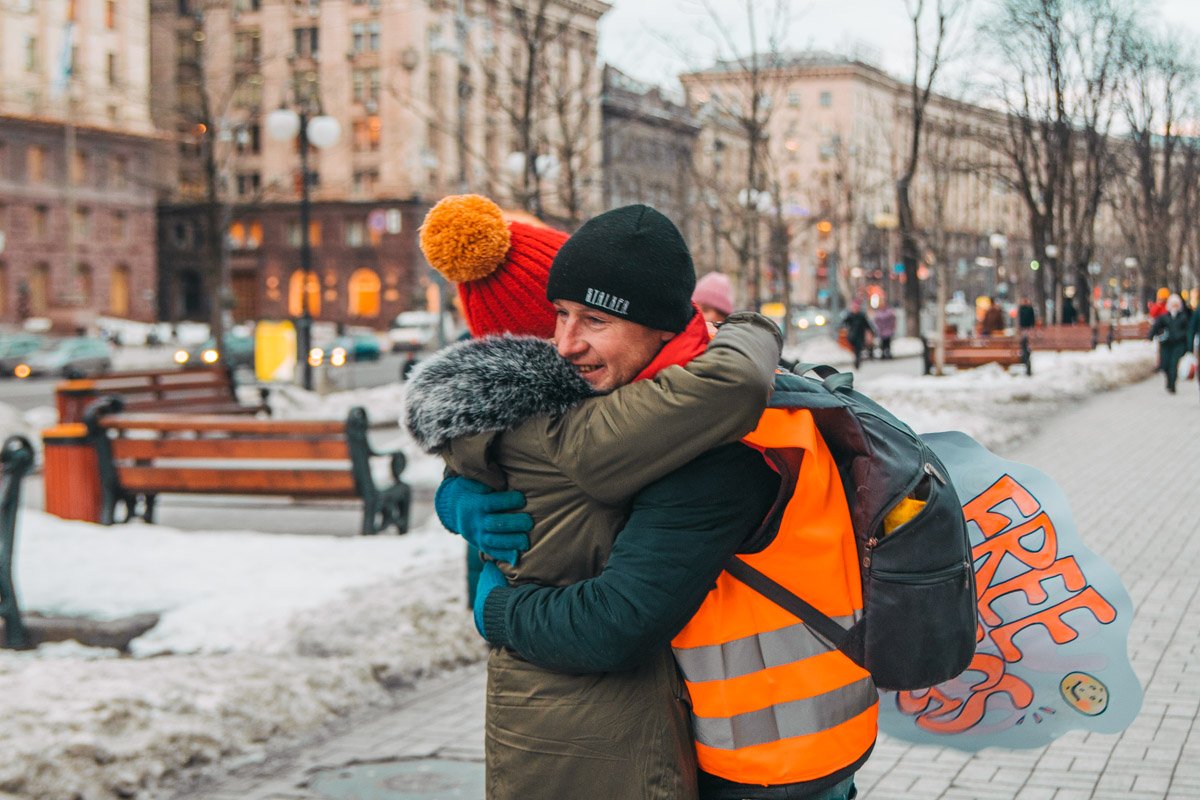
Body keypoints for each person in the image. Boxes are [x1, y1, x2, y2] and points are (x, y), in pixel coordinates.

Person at [426, 205, 874, 799]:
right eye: (558, 316)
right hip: (741, 742)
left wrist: (499, 612)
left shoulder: (713, 444)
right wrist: (459, 494)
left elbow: (614, 623)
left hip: (768, 762)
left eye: (594, 320)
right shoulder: (641, 410)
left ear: (661, 325)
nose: (562, 345)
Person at [1149, 293, 1192, 394]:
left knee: (1173, 364)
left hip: (1178, 344)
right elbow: (1156, 327)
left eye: (1176, 304)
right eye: (1172, 304)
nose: (1174, 306)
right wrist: (1150, 336)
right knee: (1165, 364)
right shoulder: (1164, 317)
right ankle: (1169, 382)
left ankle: (1172, 384)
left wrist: (1186, 343)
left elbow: (1188, 330)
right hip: (1166, 344)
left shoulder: (1183, 317)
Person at [840, 301, 876, 369]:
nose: (855, 309)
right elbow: (844, 323)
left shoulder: (862, 316)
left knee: (858, 349)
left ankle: (857, 362)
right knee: (855, 349)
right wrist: (841, 327)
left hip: (860, 335)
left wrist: (872, 332)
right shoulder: (850, 315)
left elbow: (867, 325)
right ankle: (857, 359)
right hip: (852, 336)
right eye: (853, 308)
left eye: (856, 308)